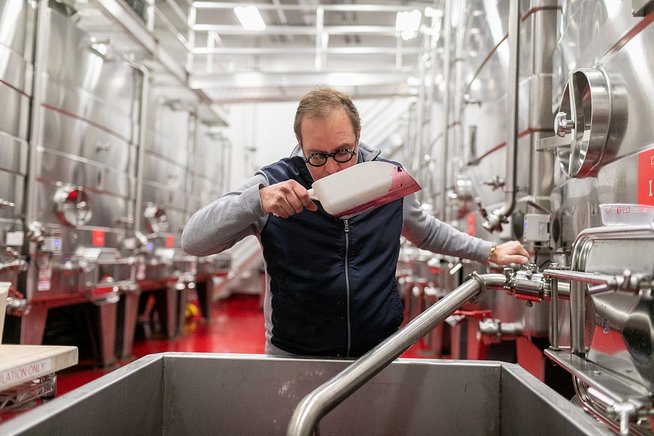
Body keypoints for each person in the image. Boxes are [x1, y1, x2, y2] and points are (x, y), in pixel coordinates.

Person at [182, 86, 530, 358]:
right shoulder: (276, 183)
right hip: (293, 354)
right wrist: (255, 200)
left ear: (359, 135)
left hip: (378, 354)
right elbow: (194, 241)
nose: (333, 168)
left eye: (343, 152)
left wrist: (490, 251)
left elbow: (424, 231)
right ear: (300, 146)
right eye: (317, 156)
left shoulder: (387, 180)